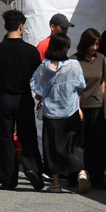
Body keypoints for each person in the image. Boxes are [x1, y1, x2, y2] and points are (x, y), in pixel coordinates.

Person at [0, 10, 45, 191]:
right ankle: (32, 168)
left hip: (3, 98)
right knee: (28, 136)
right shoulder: (31, 51)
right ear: (21, 27)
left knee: (4, 137)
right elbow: (39, 79)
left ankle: (8, 179)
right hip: (24, 97)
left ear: (5, 26)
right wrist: (40, 97)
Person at [30, 34, 87, 193]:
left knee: (52, 147)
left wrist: (42, 97)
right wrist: (79, 106)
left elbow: (36, 88)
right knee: (73, 144)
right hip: (71, 110)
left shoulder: (44, 67)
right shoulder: (74, 65)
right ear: (65, 48)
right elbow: (81, 85)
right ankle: (81, 172)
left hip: (51, 113)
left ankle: (56, 184)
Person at [75, 28, 106, 190]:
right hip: (79, 106)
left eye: (97, 44)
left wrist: (101, 96)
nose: (94, 48)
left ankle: (97, 177)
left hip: (97, 105)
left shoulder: (101, 58)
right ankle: (76, 174)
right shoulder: (75, 60)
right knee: (78, 142)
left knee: (96, 144)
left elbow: (103, 79)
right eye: (92, 44)